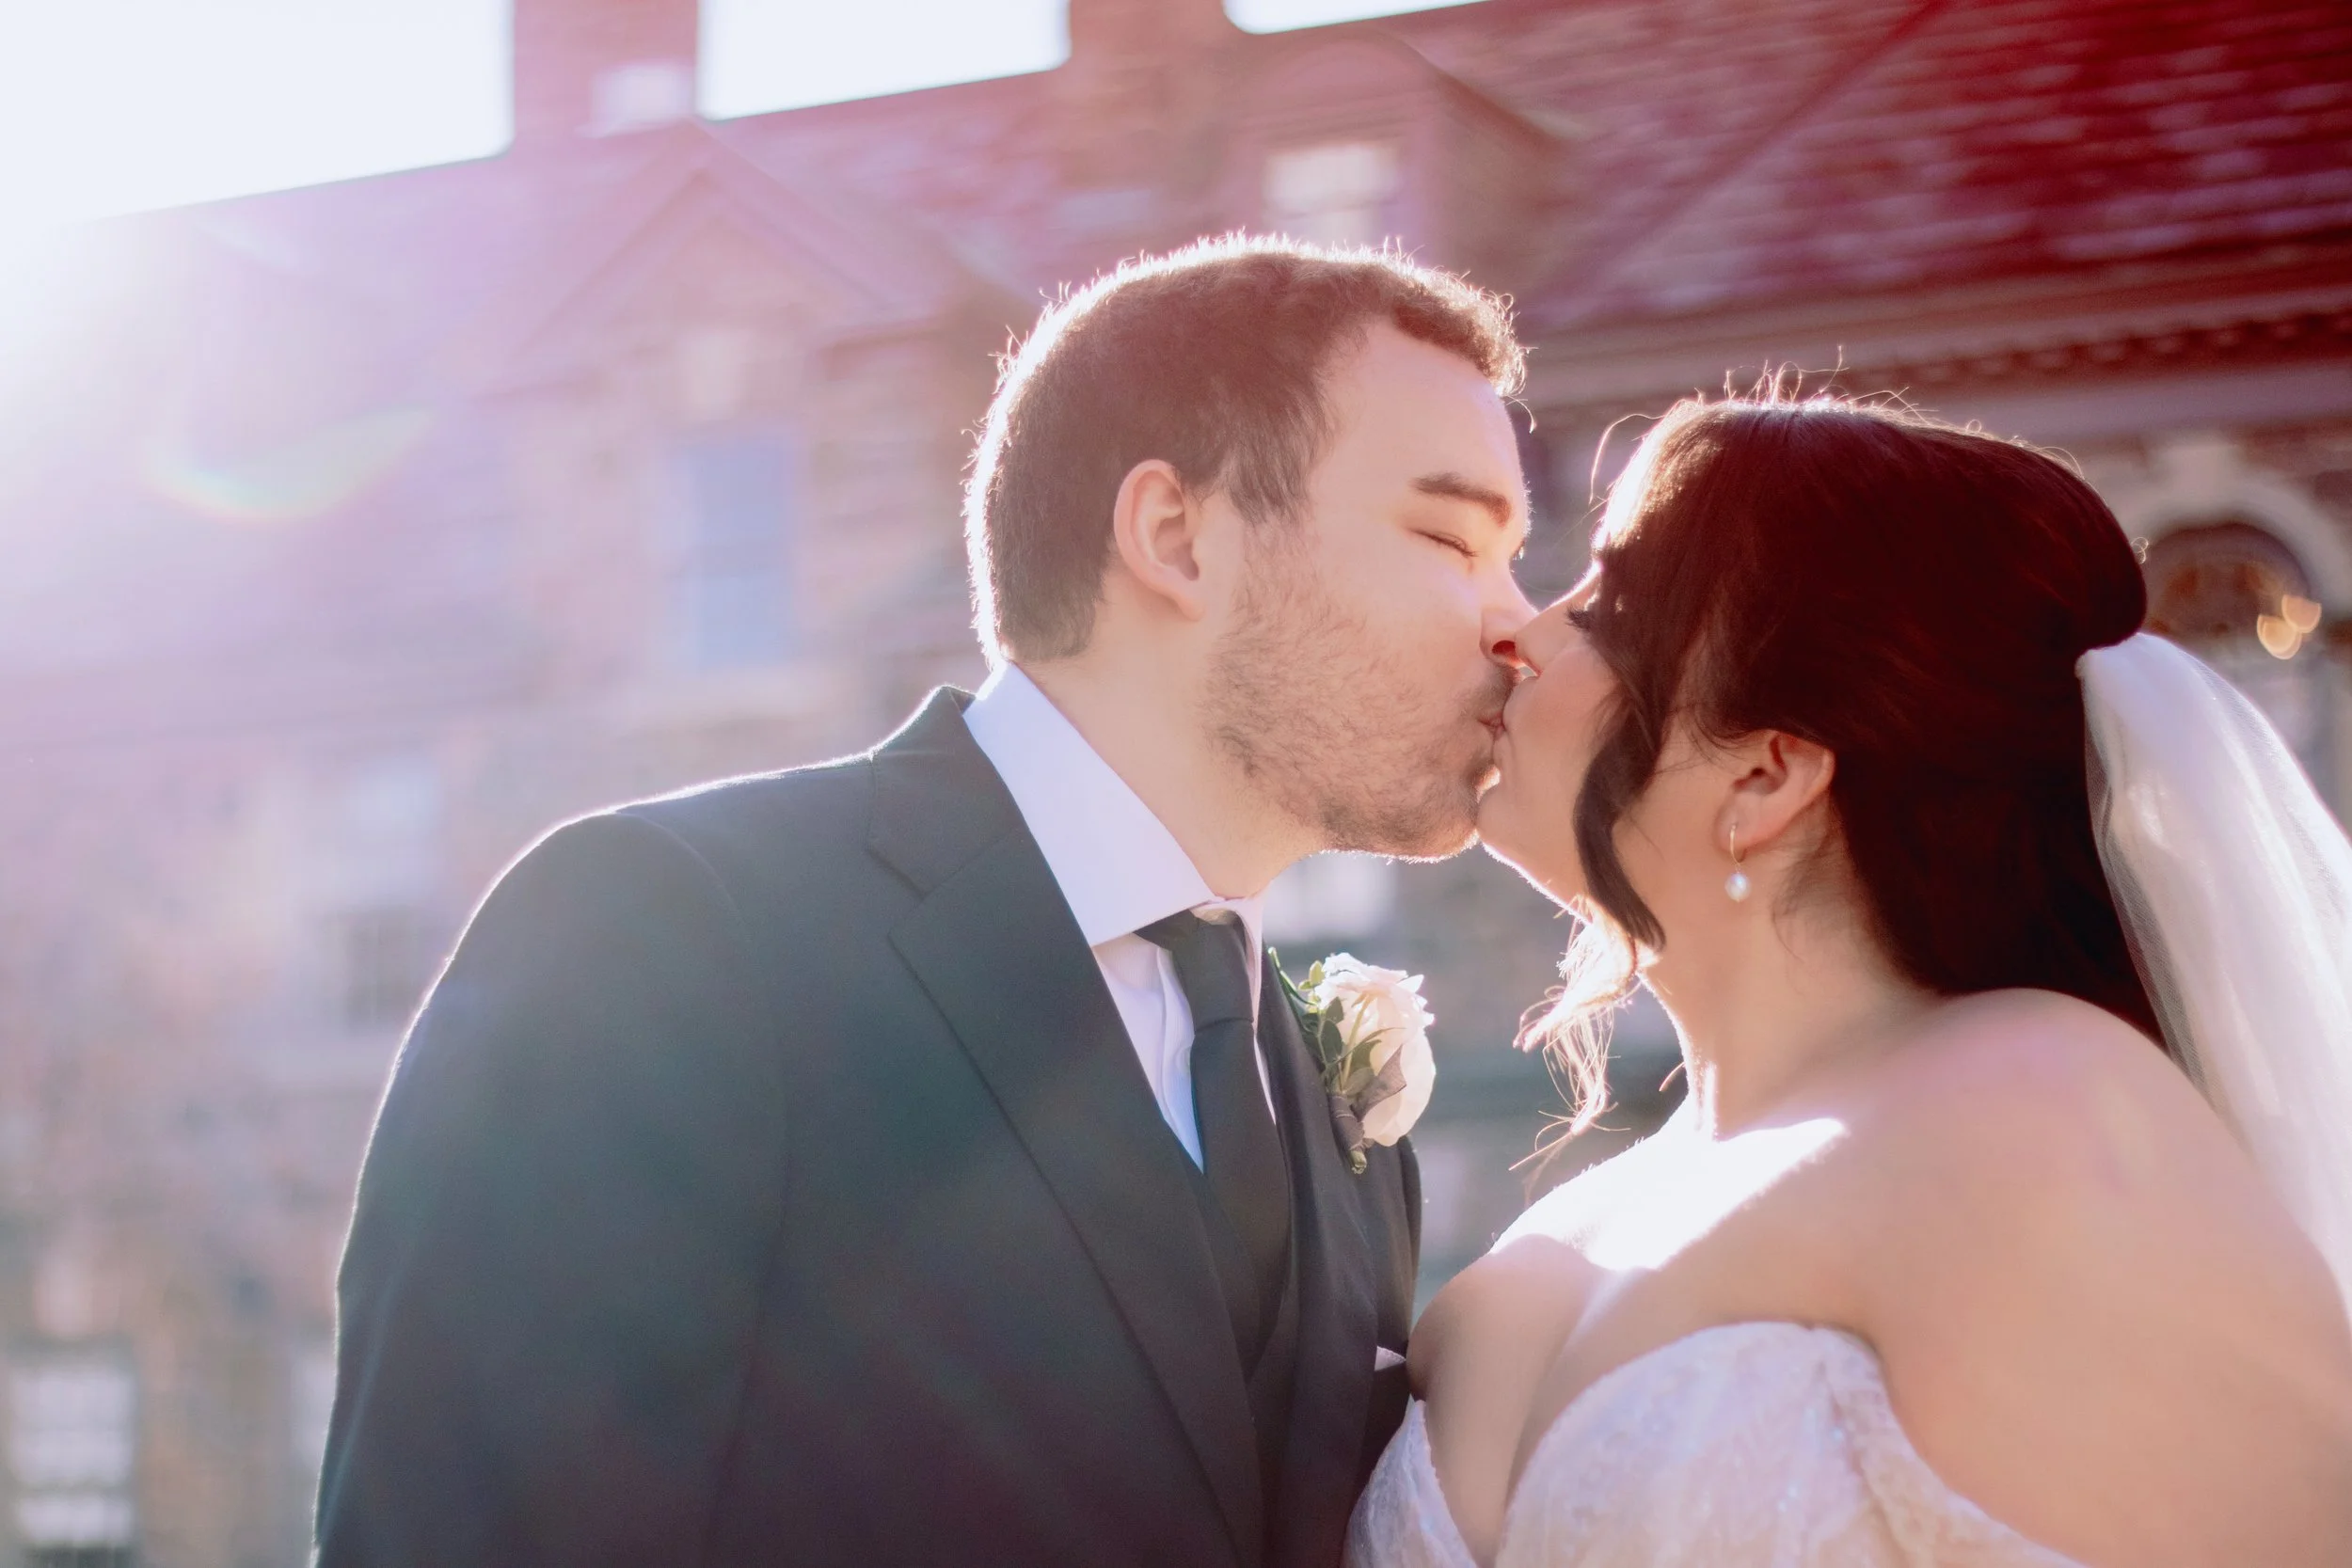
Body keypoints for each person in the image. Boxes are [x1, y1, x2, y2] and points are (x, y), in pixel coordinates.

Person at [316, 237, 1536, 1568]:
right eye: (1448, 537)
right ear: (1178, 536)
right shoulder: (664, 939)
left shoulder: (1336, 1100)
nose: (1514, 624)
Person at [1348, 396, 2352, 1567]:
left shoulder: (2039, 1114)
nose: (1520, 631)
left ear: (1765, 774)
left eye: (1608, 608)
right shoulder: (1539, 1246)